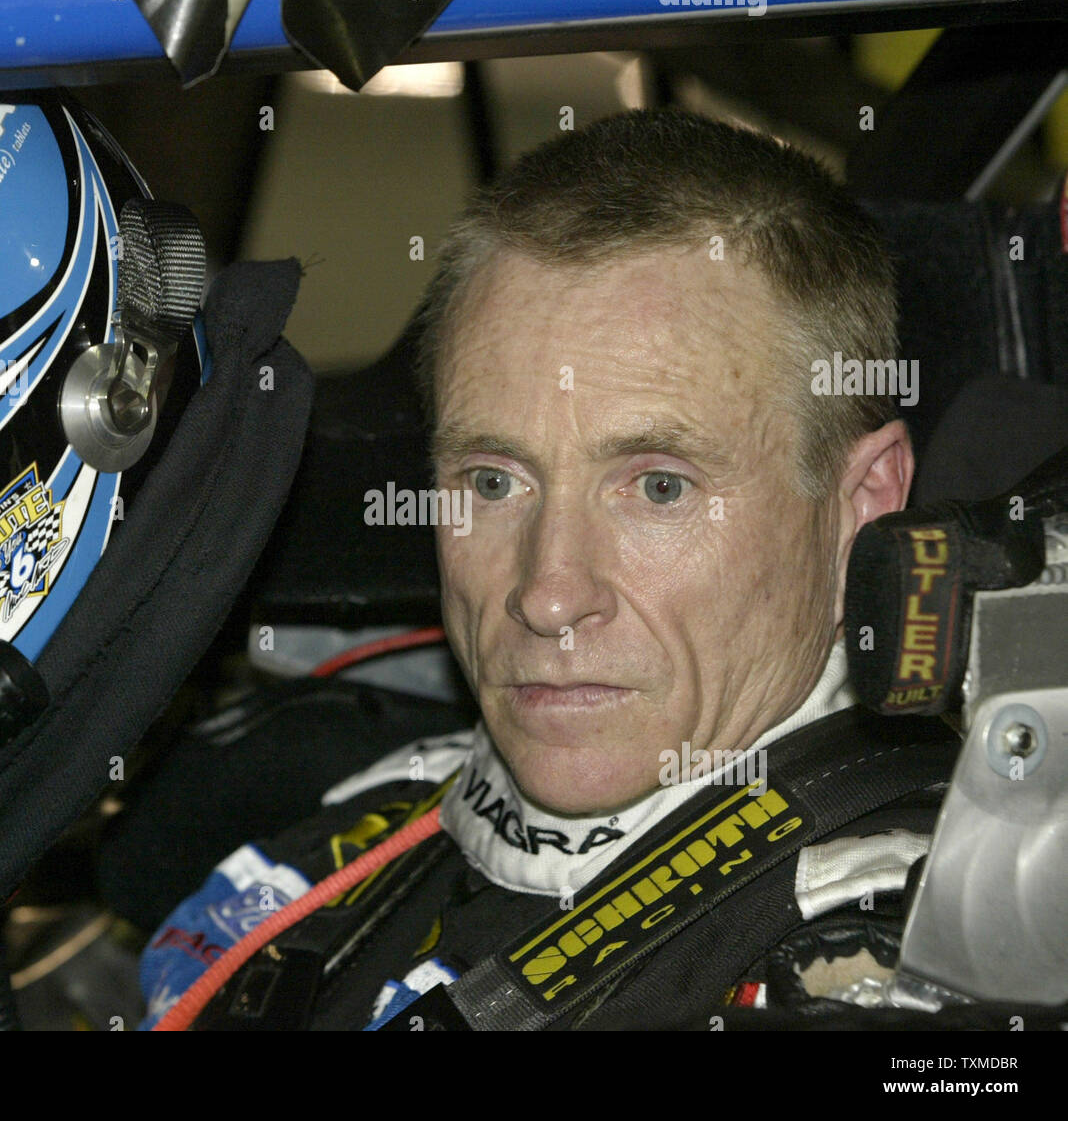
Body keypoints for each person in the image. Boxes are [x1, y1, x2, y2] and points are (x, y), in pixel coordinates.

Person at [138, 106, 955, 1032]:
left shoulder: (932, 937)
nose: (549, 592)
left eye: (658, 488)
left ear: (863, 505)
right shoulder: (362, 837)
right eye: (493, 480)